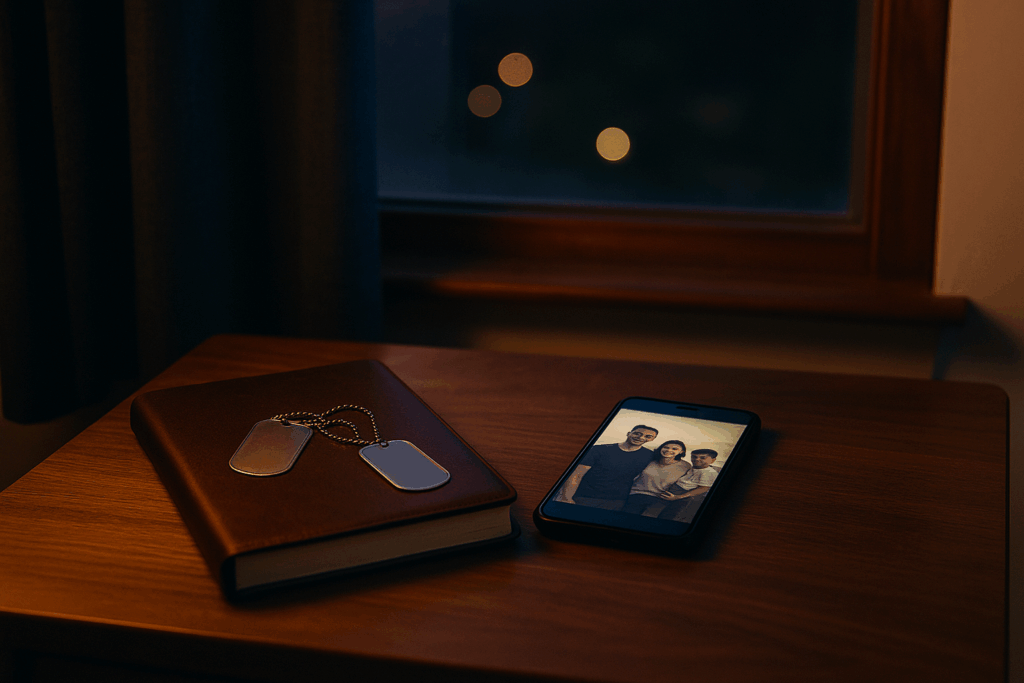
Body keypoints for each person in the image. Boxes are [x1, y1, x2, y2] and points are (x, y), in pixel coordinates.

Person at [555, 425, 658, 511]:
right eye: (637, 433)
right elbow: (577, 474)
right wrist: (566, 497)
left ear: (652, 439)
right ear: (628, 433)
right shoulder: (599, 449)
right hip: (584, 496)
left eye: (648, 436)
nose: (641, 437)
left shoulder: (650, 456)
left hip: (617, 501)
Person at [622, 440, 691, 517]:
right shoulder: (650, 459)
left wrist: (677, 497)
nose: (668, 450)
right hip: (636, 494)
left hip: (660, 498)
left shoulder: (685, 466)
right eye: (666, 447)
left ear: (681, 452)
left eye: (674, 449)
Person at [658, 448, 719, 522]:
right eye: (694, 457)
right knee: (660, 510)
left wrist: (677, 497)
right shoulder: (694, 467)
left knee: (669, 515)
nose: (697, 459)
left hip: (683, 494)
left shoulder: (709, 472)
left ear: (712, 460)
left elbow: (703, 488)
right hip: (675, 489)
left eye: (703, 458)